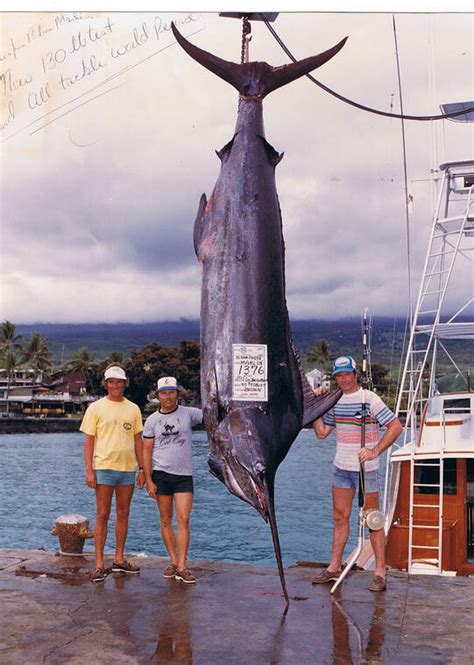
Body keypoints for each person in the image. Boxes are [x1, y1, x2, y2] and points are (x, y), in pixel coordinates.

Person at [312, 356, 402, 591]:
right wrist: (315, 406)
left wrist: (375, 451)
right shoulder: (335, 400)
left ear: (355, 374)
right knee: (340, 518)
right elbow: (321, 433)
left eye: (347, 374)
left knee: (373, 521)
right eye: (339, 376)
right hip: (341, 469)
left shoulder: (369, 399)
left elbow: (396, 426)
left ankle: (380, 572)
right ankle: (333, 568)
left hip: (366, 470)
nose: (343, 379)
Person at [80, 365, 145, 583]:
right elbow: (89, 441)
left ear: (125, 383)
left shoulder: (134, 409)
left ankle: (118, 559)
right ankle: (99, 564)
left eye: (119, 381)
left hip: (127, 469)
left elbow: (138, 441)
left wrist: (143, 469)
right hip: (103, 469)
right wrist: (89, 470)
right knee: (102, 514)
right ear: (106, 384)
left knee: (123, 514)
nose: (115, 385)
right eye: (111, 381)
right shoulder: (95, 408)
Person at [143, 376, 203, 584]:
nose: (168, 397)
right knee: (166, 520)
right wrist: (148, 479)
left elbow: (214, 416)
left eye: (171, 392)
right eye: (164, 393)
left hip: (184, 475)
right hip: (161, 475)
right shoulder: (151, 421)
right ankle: (173, 560)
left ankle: (182, 566)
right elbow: (146, 451)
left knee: (184, 519)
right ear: (158, 396)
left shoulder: (190, 414)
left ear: (177, 393)